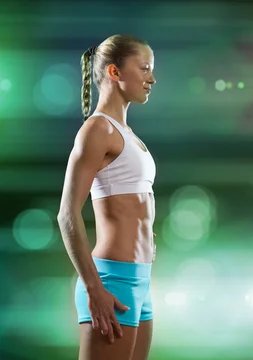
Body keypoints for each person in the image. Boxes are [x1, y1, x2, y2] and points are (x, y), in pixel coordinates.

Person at [57, 34, 157, 360]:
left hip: (140, 280)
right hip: (111, 282)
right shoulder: (97, 130)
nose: (151, 78)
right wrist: (94, 288)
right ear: (115, 73)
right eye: (144, 68)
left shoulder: (129, 135)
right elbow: (67, 214)